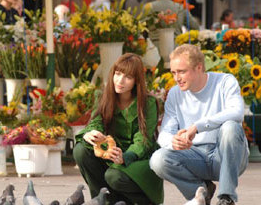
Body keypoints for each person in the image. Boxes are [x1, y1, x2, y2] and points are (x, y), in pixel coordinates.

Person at [149, 44, 249, 205]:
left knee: (230, 127)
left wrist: (197, 126)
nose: (177, 78)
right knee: (158, 160)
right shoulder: (175, 94)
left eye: (182, 72)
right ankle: (201, 192)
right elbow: (165, 133)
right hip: (195, 155)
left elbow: (237, 112)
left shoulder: (224, 81)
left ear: (199, 67)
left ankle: (226, 198)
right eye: (173, 73)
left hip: (225, 155)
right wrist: (173, 141)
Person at [73, 53, 164, 205]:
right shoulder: (104, 96)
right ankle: (102, 200)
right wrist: (91, 133)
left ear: (136, 81)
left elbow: (143, 139)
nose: (120, 81)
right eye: (117, 74)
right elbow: (96, 122)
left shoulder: (148, 103)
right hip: (111, 155)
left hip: (138, 159)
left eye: (127, 77)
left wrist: (126, 156)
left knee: (113, 176)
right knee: (80, 150)